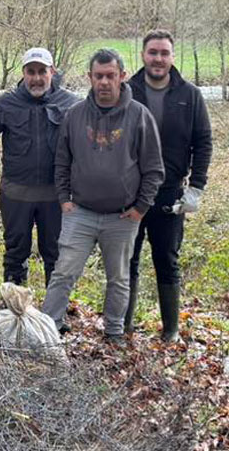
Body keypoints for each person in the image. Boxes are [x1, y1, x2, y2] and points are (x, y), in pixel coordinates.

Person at [40, 48, 164, 340]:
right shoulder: (75, 115)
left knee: (119, 279)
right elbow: (62, 161)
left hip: (122, 216)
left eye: (110, 76)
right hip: (80, 212)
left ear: (121, 76)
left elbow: (154, 169)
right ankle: (48, 327)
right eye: (99, 76)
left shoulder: (139, 116)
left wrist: (140, 208)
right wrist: (64, 200)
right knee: (63, 272)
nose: (104, 82)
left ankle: (114, 333)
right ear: (90, 78)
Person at [125, 30, 213, 343]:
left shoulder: (189, 95)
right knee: (128, 261)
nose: (158, 59)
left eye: (164, 53)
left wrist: (196, 188)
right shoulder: (127, 91)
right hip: (130, 194)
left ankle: (171, 331)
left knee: (167, 260)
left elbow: (203, 143)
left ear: (172, 57)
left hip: (169, 194)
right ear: (143, 56)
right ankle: (124, 328)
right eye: (153, 52)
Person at [0, 47, 80, 285]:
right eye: (31, 72)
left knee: (55, 255)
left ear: (52, 71)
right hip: (15, 194)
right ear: (23, 73)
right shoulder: (6, 104)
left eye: (42, 71)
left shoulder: (71, 104)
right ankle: (15, 311)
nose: (36, 78)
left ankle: (55, 314)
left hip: (55, 195)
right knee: (15, 253)